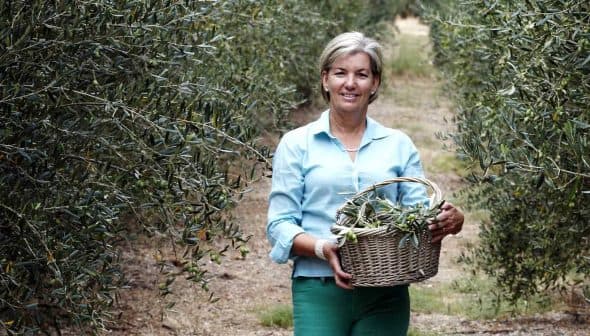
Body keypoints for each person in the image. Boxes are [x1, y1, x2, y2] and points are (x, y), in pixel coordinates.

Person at [266, 31, 464, 336]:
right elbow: (279, 224)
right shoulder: (297, 144)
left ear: (375, 83)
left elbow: (418, 214)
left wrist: (451, 220)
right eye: (340, 73)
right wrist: (324, 249)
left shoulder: (398, 144)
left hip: (386, 290)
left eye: (361, 74)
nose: (350, 83)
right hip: (318, 287)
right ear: (325, 79)